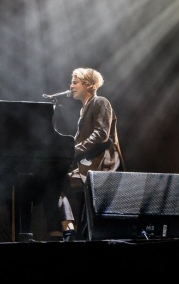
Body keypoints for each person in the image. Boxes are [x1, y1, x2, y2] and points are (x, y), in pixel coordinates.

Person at [51, 67, 125, 241]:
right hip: (90, 162)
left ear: (90, 86)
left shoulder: (101, 102)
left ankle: (68, 230)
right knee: (55, 180)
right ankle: (69, 229)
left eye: (75, 82)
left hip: (103, 164)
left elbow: (101, 134)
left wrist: (75, 150)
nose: (71, 86)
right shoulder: (84, 110)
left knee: (58, 180)